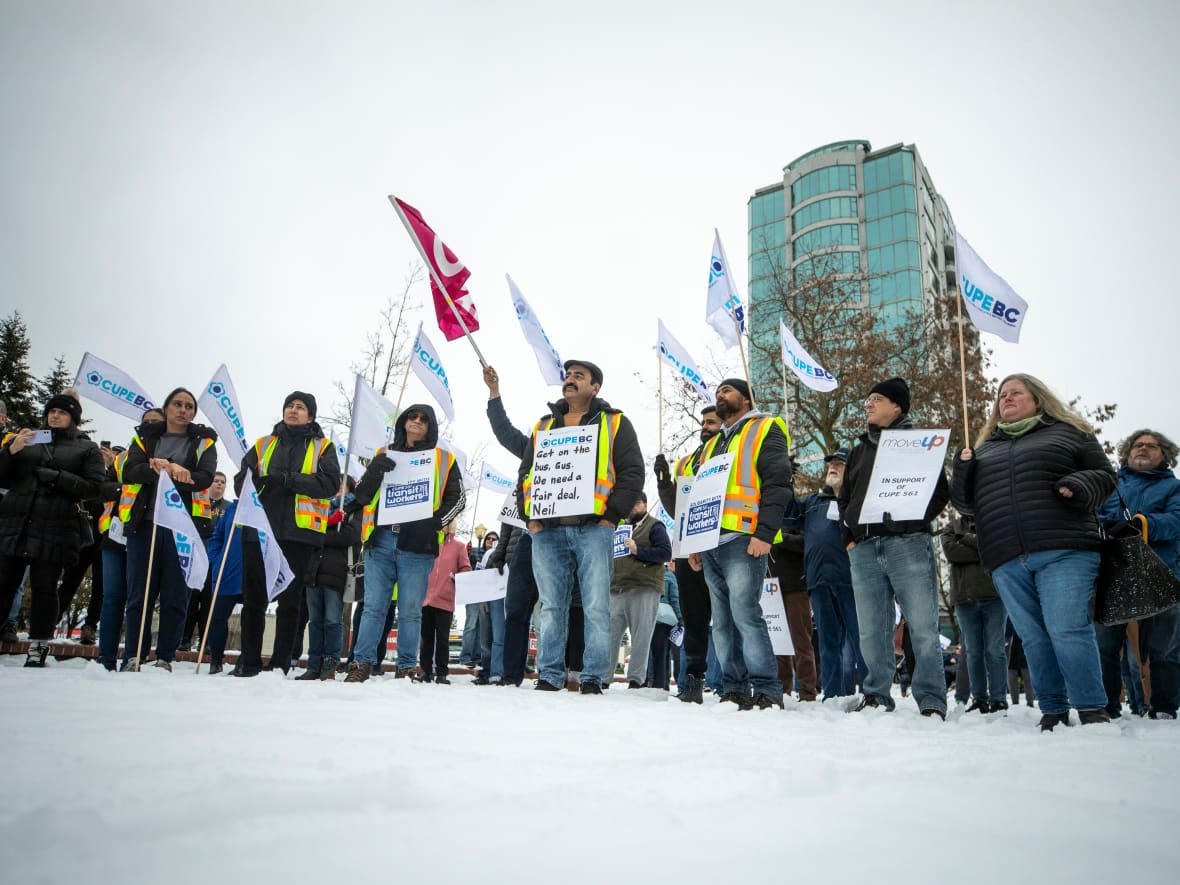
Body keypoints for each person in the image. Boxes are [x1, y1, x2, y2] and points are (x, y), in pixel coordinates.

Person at [951, 374, 1117, 731]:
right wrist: (962, 470)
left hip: (1065, 547)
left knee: (1066, 627)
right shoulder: (984, 448)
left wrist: (1079, 483)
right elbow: (966, 506)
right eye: (1001, 395)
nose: (1006, 399)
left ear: (1037, 399)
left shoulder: (1070, 432)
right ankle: (1053, 709)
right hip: (1006, 556)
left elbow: (1105, 476)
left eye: (1015, 393)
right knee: (1033, 636)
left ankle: (1091, 709)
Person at [517, 359, 645, 694]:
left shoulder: (616, 423)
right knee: (550, 605)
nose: (570, 380)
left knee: (596, 606)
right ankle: (549, 674)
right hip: (547, 530)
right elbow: (525, 474)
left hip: (594, 529)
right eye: (568, 375)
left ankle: (592, 678)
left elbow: (632, 472)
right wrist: (529, 517)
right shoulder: (542, 425)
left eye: (579, 376)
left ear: (595, 387)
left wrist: (610, 517)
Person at [839, 377, 949, 718]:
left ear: (897, 406)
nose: (868, 404)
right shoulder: (858, 450)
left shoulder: (920, 444)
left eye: (876, 399)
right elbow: (845, 499)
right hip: (865, 549)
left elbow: (939, 492)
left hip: (908, 545)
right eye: (868, 399)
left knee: (923, 626)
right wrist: (850, 538)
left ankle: (931, 699)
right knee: (871, 629)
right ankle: (874, 695)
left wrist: (911, 522)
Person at [686, 379, 793, 710]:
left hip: (744, 538)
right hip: (711, 542)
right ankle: (733, 688)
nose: (720, 395)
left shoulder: (766, 428)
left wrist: (764, 533)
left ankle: (766, 688)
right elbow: (697, 493)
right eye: (717, 392)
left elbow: (778, 482)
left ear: (746, 400)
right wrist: (694, 542)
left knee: (746, 614)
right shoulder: (711, 445)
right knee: (722, 620)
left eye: (727, 391)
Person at [345, 403, 464, 682]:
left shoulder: (444, 459)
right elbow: (361, 497)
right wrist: (375, 471)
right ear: (403, 421)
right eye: (412, 416)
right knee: (373, 606)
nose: (417, 421)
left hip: (418, 545)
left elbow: (457, 499)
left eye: (424, 419)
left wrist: (434, 522)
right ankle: (361, 663)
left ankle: (407, 666)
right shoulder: (382, 453)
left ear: (431, 426)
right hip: (381, 539)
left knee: (411, 609)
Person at [233, 391, 338, 676]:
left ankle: (280, 663)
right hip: (259, 530)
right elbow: (240, 480)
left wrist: (288, 480)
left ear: (311, 416)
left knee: (290, 602)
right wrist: (252, 480)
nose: (293, 410)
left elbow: (329, 483)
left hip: (298, 534)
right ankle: (249, 661)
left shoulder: (322, 447)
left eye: (300, 407)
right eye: (289, 406)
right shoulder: (264, 444)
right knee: (253, 599)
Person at [0, 395, 105, 666]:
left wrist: (58, 479)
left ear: (74, 417)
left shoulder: (86, 448)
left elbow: (95, 488)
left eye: (62, 412)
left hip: (56, 528)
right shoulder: (28, 439)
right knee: (3, 585)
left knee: (45, 589)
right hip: (16, 523)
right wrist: (10, 452)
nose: (55, 416)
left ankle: (39, 645)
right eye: (51, 411)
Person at [121, 387, 218, 670]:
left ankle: (165, 656)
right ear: (166, 408)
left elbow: (203, 477)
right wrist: (157, 468)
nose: (183, 410)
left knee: (176, 594)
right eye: (177, 404)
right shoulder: (145, 436)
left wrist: (175, 469)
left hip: (183, 528)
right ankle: (134, 655)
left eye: (189, 406)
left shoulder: (204, 442)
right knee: (140, 592)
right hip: (146, 523)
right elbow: (130, 471)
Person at [1095, 429, 1180, 720]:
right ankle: (1107, 706)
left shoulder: (1174, 488)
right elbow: (1095, 517)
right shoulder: (1109, 485)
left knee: (1164, 647)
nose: (1143, 449)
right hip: (1114, 572)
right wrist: (1110, 528)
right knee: (1105, 644)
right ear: (1127, 452)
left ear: (1164, 454)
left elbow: (1176, 521)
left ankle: (1164, 707)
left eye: (1151, 446)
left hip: (1163, 572)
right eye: (1137, 445)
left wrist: (1142, 524)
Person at [654, 404, 723, 703]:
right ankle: (692, 680)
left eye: (712, 422)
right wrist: (663, 482)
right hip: (686, 546)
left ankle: (731, 679)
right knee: (694, 619)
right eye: (703, 422)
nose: (705, 427)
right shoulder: (686, 463)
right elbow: (676, 508)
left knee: (727, 616)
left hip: (722, 543)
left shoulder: (730, 455)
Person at [787, 447, 865, 699]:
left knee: (860, 638)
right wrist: (783, 477)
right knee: (828, 642)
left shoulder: (857, 501)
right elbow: (787, 512)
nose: (833, 466)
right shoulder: (812, 503)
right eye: (831, 463)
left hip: (852, 580)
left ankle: (870, 692)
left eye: (840, 463)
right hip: (818, 581)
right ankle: (832, 694)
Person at [482, 364, 537, 687]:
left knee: (560, 611)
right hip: (531, 540)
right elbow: (504, 432)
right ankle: (510, 675)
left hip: (567, 539)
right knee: (516, 609)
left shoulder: (587, 446)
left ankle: (560, 673)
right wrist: (494, 393)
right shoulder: (534, 448)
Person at [940, 512, 1009, 713]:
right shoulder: (951, 527)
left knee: (995, 650)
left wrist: (967, 539)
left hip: (994, 597)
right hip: (964, 598)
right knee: (973, 652)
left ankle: (998, 699)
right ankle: (979, 699)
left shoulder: (993, 522)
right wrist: (981, 547)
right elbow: (951, 553)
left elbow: (998, 550)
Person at [296, 481, 361, 681]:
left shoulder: (354, 510)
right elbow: (306, 531)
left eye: (343, 487)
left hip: (336, 573)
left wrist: (322, 532)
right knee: (315, 622)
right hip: (313, 571)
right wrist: (328, 523)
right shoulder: (319, 507)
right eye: (336, 486)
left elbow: (349, 537)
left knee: (333, 621)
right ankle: (314, 665)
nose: (338, 490)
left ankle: (330, 664)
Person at [608, 492, 672, 688]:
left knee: (641, 636)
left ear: (644, 504)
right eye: (630, 504)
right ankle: (602, 677)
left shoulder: (655, 526)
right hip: (618, 587)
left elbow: (665, 553)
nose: (632, 508)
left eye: (636, 504)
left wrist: (638, 551)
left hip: (644, 587)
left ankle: (636, 680)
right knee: (610, 635)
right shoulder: (620, 527)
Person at [769, 526, 819, 702]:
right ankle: (783, 690)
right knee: (778, 642)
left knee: (801, 641)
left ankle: (807, 691)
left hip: (796, 587)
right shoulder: (766, 511)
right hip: (771, 586)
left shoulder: (798, 510)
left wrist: (782, 537)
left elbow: (807, 542)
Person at [181, 470, 229, 651]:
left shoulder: (229, 507)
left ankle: (206, 641)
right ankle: (184, 639)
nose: (219, 484)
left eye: (222, 482)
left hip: (215, 561)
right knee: (190, 600)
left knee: (209, 602)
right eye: (216, 481)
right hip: (195, 557)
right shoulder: (198, 502)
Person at [421, 522, 472, 684]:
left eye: (445, 523)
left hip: (445, 598)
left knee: (442, 638)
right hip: (426, 598)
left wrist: (454, 577)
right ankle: (425, 671)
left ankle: (441, 673)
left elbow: (466, 568)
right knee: (426, 638)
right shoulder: (430, 543)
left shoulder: (459, 546)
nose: (442, 525)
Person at [204, 498, 243, 675]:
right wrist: (216, 560)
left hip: (251, 575)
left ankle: (245, 660)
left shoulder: (263, 506)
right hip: (226, 574)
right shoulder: (232, 509)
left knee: (251, 619)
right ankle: (216, 659)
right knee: (217, 617)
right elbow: (217, 536)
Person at [647, 563, 682, 690]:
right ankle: (662, 683)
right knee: (663, 653)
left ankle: (651, 681)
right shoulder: (670, 576)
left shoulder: (647, 573)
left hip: (648, 616)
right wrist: (679, 618)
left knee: (649, 651)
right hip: (664, 619)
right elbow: (675, 599)